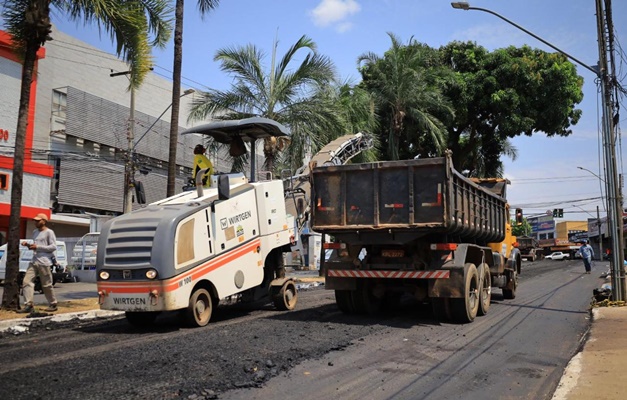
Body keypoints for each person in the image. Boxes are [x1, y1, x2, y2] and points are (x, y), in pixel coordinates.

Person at [17, 213, 59, 313]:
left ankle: (53, 303)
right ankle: (29, 305)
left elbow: (53, 247)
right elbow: (35, 246)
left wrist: (38, 247)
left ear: (44, 221)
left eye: (38, 220)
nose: (36, 222)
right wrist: (28, 245)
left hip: (44, 262)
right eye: (35, 220)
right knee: (26, 282)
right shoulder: (35, 232)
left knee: (46, 284)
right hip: (34, 260)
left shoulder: (49, 232)